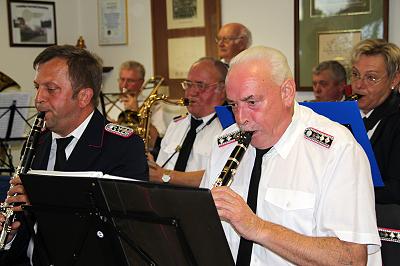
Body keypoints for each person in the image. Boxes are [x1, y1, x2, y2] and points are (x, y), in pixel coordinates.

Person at [201, 46, 381, 265]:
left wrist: (257, 227)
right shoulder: (224, 143)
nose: (241, 118)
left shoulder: (337, 150)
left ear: (286, 92)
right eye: (233, 105)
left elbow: (351, 259)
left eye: (251, 102)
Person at [0, 45, 148, 266]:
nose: (38, 99)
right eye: (37, 87)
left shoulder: (122, 147)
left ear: (83, 96)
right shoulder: (38, 142)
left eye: (51, 89)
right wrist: (10, 237)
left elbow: (126, 235)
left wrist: (43, 202)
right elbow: (27, 232)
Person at [350, 38, 400, 265]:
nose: (359, 85)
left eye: (371, 77)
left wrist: (352, 190)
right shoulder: (342, 113)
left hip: (386, 228)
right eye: (355, 75)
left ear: (394, 79)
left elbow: (397, 188)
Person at [148, 57, 227, 187]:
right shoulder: (176, 124)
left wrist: (164, 176)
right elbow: (160, 169)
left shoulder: (229, 129)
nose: (191, 92)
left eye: (201, 86)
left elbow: (219, 177)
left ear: (222, 90)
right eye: (188, 84)